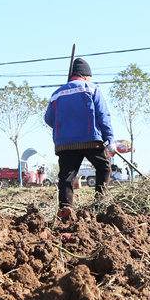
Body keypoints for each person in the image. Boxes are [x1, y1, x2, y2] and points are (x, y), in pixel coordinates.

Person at [44, 57, 118, 220]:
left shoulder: (57, 94)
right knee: (104, 167)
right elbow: (103, 115)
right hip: (90, 139)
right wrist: (110, 139)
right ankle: (99, 203)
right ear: (85, 75)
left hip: (64, 144)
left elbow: (49, 119)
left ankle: (65, 210)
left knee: (66, 177)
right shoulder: (91, 88)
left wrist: (65, 129)